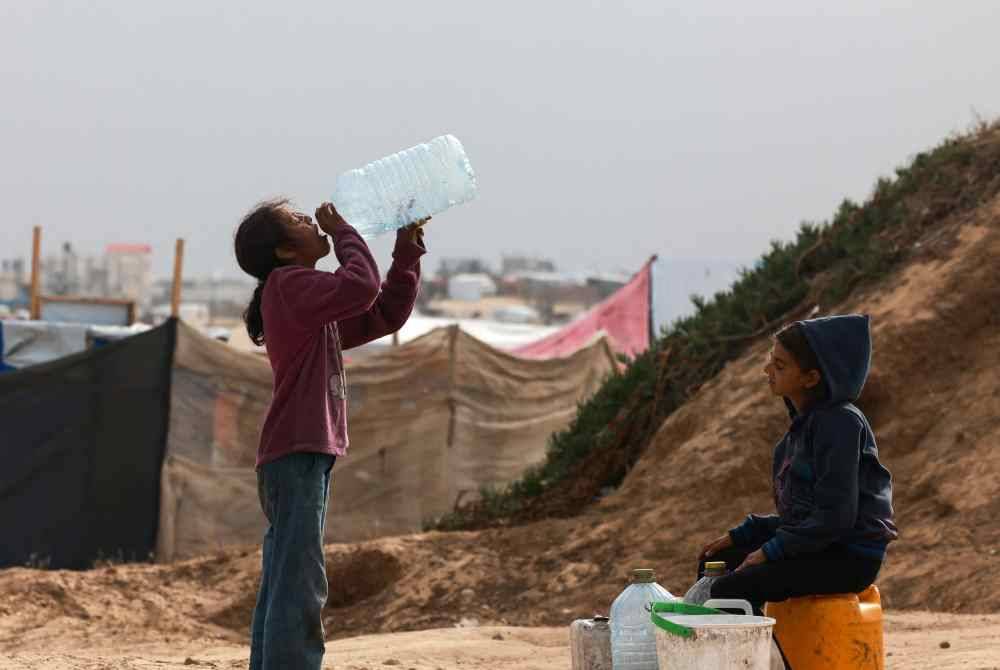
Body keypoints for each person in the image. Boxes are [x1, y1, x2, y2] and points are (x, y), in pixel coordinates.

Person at [234, 199, 427, 670]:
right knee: (300, 581)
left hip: (297, 455)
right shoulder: (289, 286)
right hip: (297, 452)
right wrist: (342, 231)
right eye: (299, 221)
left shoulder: (304, 301)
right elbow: (360, 285)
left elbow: (381, 315)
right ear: (283, 252)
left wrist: (405, 256)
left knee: (286, 578)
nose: (311, 220)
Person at [697, 315, 897, 617]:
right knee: (718, 559)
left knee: (731, 588)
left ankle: (752, 660)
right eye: (770, 361)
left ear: (811, 378)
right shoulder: (802, 430)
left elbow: (836, 519)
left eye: (780, 366)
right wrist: (746, 533)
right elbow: (804, 519)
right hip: (823, 545)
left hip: (849, 558)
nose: (767, 371)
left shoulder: (840, 423)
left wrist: (769, 551)